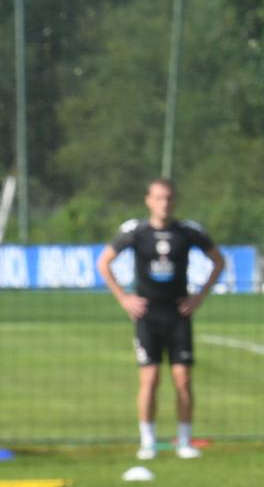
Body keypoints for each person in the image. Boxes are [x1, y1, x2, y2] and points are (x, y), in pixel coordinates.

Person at [96, 178, 224, 462]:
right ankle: (148, 441)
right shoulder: (135, 231)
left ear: (174, 201)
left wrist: (200, 296)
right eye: (158, 198)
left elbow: (218, 261)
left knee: (182, 379)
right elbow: (104, 262)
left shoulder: (188, 231)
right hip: (147, 314)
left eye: (168, 198)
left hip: (179, 314)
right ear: (148, 200)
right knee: (150, 379)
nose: (163, 203)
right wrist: (123, 297)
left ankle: (185, 440)